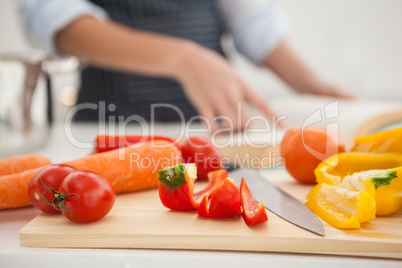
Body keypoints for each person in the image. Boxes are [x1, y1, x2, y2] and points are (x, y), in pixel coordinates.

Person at [20, 0, 353, 131]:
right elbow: (59, 21)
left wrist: (311, 85)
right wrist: (182, 58)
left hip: (217, 130)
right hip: (114, 130)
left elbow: (254, 21)